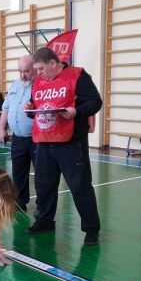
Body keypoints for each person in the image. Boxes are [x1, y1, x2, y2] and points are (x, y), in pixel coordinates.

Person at [27, 47, 102, 246]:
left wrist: (76, 112)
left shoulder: (78, 76)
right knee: (44, 184)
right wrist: (30, 109)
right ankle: (44, 221)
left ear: (53, 62)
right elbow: (35, 103)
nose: (39, 73)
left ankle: (91, 228)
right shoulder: (39, 81)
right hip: (44, 140)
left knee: (80, 186)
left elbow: (96, 102)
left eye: (41, 68)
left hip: (71, 141)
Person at [0, 55, 37, 211]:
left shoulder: (40, 85)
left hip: (36, 138)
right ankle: (20, 202)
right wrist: (1, 128)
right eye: (20, 71)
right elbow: (5, 108)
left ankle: (42, 206)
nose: (23, 75)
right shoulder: (15, 85)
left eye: (26, 71)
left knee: (41, 173)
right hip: (18, 138)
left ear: (34, 69)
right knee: (19, 171)